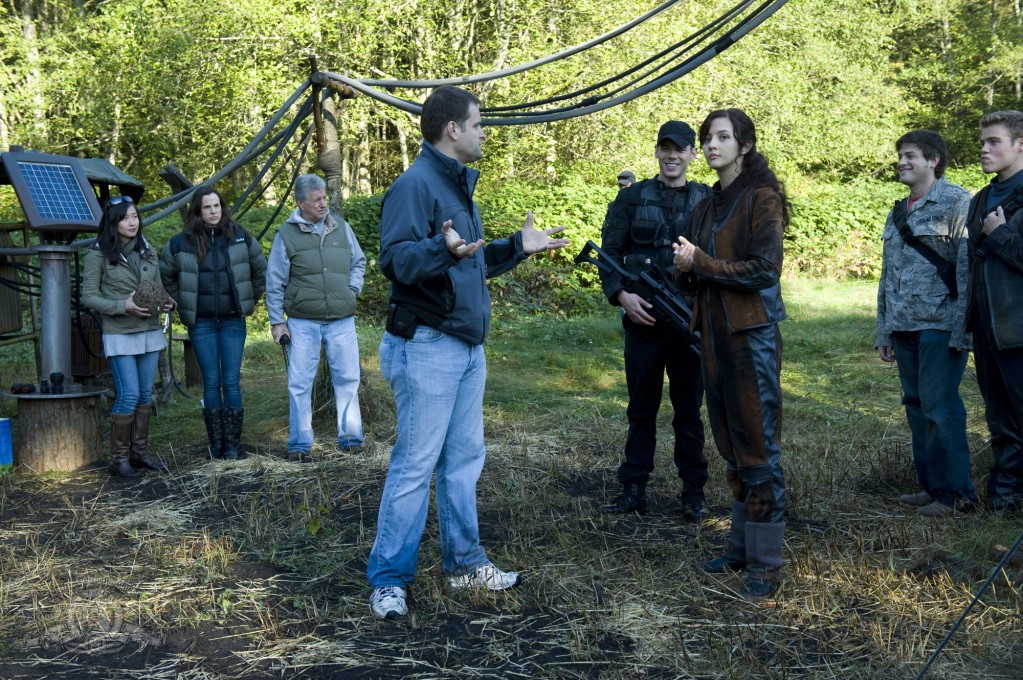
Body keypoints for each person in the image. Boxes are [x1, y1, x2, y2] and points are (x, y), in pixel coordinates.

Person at [367, 86, 569, 620]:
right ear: (452, 129)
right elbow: (396, 261)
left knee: (462, 461)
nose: (484, 133)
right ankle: (388, 580)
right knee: (415, 465)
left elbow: (468, 260)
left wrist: (516, 248)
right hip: (427, 345)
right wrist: (441, 248)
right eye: (478, 124)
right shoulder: (414, 185)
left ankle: (465, 564)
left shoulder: (456, 184)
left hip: (466, 348)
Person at [673, 108, 787, 598]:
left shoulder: (762, 198)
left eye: (723, 137)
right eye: (707, 138)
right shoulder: (705, 206)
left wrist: (701, 263)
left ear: (745, 145)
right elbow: (694, 274)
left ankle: (765, 563)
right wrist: (685, 267)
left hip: (751, 334)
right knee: (730, 446)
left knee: (758, 449)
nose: (711, 145)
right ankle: (740, 549)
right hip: (713, 336)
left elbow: (764, 270)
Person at [599, 121, 711, 519]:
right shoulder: (631, 198)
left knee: (689, 412)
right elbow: (609, 253)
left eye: (680, 149)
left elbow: (720, 258)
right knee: (641, 409)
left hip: (688, 322)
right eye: (665, 148)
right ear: (657, 152)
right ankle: (633, 489)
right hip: (642, 321)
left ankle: (693, 492)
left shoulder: (708, 200)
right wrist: (622, 296)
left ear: (693, 154)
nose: (672, 156)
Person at [875, 130, 976, 518]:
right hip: (904, 325)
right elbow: (887, 276)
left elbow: (966, 271)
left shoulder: (958, 202)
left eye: (911, 155)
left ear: (933, 160)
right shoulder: (898, 211)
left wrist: (962, 330)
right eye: (900, 155)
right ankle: (932, 487)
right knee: (916, 407)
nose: (902, 161)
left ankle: (957, 495)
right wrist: (884, 329)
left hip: (940, 325)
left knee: (940, 408)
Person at [160, 186, 267, 460]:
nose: (213, 211)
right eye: (207, 207)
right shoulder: (180, 243)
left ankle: (232, 445)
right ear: (198, 211)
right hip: (202, 323)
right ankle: (216, 444)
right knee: (211, 382)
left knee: (230, 382)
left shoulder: (240, 236)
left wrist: (248, 299)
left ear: (223, 207)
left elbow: (260, 270)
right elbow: (166, 275)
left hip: (233, 321)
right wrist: (181, 302)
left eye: (216, 206)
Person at [265, 174, 366, 462]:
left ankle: (351, 439)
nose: (324, 204)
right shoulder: (286, 235)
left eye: (324, 198)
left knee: (347, 380)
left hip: (341, 320)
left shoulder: (341, 227)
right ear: (301, 203)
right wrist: (277, 322)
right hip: (302, 322)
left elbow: (358, 262)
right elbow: (274, 280)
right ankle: (299, 445)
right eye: (316, 200)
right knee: (299, 383)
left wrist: (352, 290)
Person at [82, 196, 173, 478]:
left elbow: (157, 287)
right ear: (113, 222)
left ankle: (139, 454)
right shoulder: (98, 253)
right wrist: (123, 306)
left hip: (149, 330)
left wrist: (167, 302)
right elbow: (88, 297)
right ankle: (119, 460)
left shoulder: (147, 248)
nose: (132, 222)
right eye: (124, 218)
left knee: (146, 393)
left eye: (135, 216)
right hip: (120, 332)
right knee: (129, 394)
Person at [965, 109, 1023, 515]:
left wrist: (999, 234)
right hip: (987, 328)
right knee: (999, 418)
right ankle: (1002, 499)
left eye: (994, 142)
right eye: (983, 142)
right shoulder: (980, 199)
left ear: (1020, 145)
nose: (984, 149)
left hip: (1019, 328)